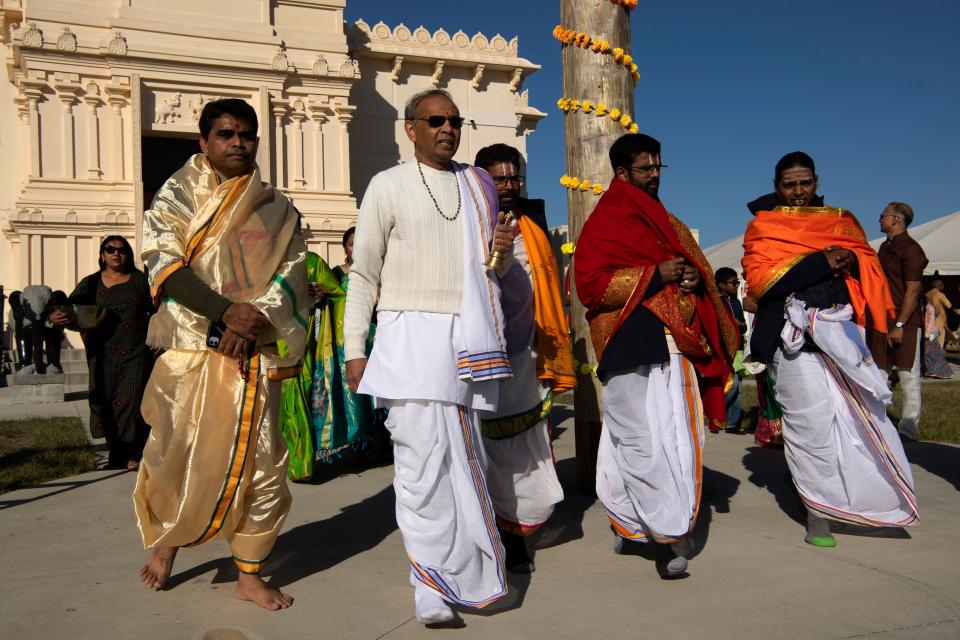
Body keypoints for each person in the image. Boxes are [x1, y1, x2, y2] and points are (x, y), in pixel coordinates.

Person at [344, 89, 513, 625]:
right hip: (407, 340)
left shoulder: (477, 187)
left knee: (466, 463)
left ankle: (462, 568)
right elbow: (363, 272)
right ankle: (429, 582)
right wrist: (354, 349)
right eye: (434, 120)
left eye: (454, 120)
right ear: (409, 128)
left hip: (465, 342)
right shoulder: (386, 185)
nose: (447, 128)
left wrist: (503, 254)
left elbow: (494, 276)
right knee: (419, 468)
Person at [132, 98, 309, 610]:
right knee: (177, 453)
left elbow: (292, 272)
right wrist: (222, 312)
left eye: (246, 135)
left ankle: (250, 572)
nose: (238, 143)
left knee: (264, 465)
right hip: (191, 349)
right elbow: (163, 263)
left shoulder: (278, 208)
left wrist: (253, 320)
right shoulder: (176, 196)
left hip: (254, 350)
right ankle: (168, 543)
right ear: (204, 142)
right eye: (226, 134)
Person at [574, 133, 737, 579]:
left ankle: (640, 528)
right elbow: (591, 285)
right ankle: (662, 535)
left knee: (680, 441)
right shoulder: (604, 221)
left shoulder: (669, 222)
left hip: (675, 343)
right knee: (636, 441)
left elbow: (698, 270)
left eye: (657, 168)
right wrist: (654, 274)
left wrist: (688, 280)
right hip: (628, 344)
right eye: (645, 169)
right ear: (622, 173)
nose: (653, 176)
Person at [742, 151, 918, 548]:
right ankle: (817, 510)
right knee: (811, 424)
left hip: (843, 331)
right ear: (777, 187)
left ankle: (854, 497)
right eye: (790, 184)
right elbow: (762, 281)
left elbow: (865, 265)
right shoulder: (764, 227)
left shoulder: (842, 221)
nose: (799, 191)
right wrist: (823, 261)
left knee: (859, 419)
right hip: (792, 338)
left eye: (806, 183)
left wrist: (848, 259)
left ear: (817, 182)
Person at [474, 143, 574, 573]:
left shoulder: (532, 223)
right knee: (483, 450)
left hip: (527, 354)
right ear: (482, 181)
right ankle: (488, 530)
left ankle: (517, 535)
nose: (510, 185)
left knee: (525, 449)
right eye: (500, 178)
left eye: (515, 177)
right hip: (479, 355)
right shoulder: (470, 223)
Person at [50, 236, 154, 470]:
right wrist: (55, 317)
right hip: (102, 353)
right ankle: (116, 450)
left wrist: (161, 335)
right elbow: (70, 309)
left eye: (122, 250)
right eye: (110, 250)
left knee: (131, 400)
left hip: (136, 351)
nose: (116, 254)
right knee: (104, 399)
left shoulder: (141, 282)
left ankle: (130, 452)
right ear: (102, 255)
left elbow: (160, 310)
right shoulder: (91, 283)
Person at [276, 250, 344, 481]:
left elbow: (339, 294)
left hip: (301, 345)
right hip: (266, 342)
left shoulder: (311, 262)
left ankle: (300, 465)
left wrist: (321, 294)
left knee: (296, 401)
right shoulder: (260, 259)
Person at [870, 202, 928, 441]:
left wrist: (901, 326)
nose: (879, 220)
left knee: (908, 376)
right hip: (882, 320)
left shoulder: (911, 249)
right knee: (878, 373)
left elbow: (913, 290)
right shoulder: (885, 246)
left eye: (882, 216)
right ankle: (877, 423)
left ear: (895, 219)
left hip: (905, 322)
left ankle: (908, 429)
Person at [715, 267, 747, 430]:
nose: (736, 285)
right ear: (721, 285)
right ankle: (717, 414)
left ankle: (733, 423)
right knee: (730, 385)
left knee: (738, 387)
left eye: (737, 282)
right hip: (723, 349)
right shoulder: (715, 302)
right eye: (733, 283)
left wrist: (739, 324)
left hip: (738, 349)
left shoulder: (736, 302)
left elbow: (744, 326)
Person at [922, 301, 953, 378]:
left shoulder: (930, 308)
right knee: (934, 352)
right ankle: (936, 371)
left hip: (930, 333)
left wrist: (927, 333)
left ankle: (937, 372)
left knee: (930, 353)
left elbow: (931, 321)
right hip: (932, 332)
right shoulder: (927, 307)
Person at [926, 280, 953, 349]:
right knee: (940, 336)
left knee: (931, 336)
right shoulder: (940, 294)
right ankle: (937, 354)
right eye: (942, 285)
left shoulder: (928, 294)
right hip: (939, 318)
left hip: (930, 316)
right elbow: (949, 305)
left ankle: (931, 353)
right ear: (939, 286)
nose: (943, 287)